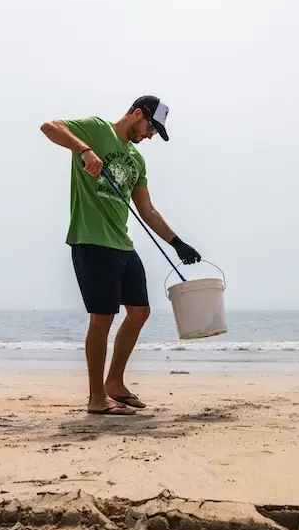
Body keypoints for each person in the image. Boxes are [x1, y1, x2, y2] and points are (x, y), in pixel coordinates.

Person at [40, 95, 202, 415]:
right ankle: (96, 398)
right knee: (102, 318)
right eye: (150, 127)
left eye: (155, 132)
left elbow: (147, 209)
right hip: (91, 241)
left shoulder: (137, 161)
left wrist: (177, 243)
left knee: (140, 311)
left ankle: (114, 382)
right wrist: (84, 150)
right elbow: (49, 127)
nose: (150, 135)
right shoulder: (98, 130)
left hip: (122, 245)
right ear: (137, 114)